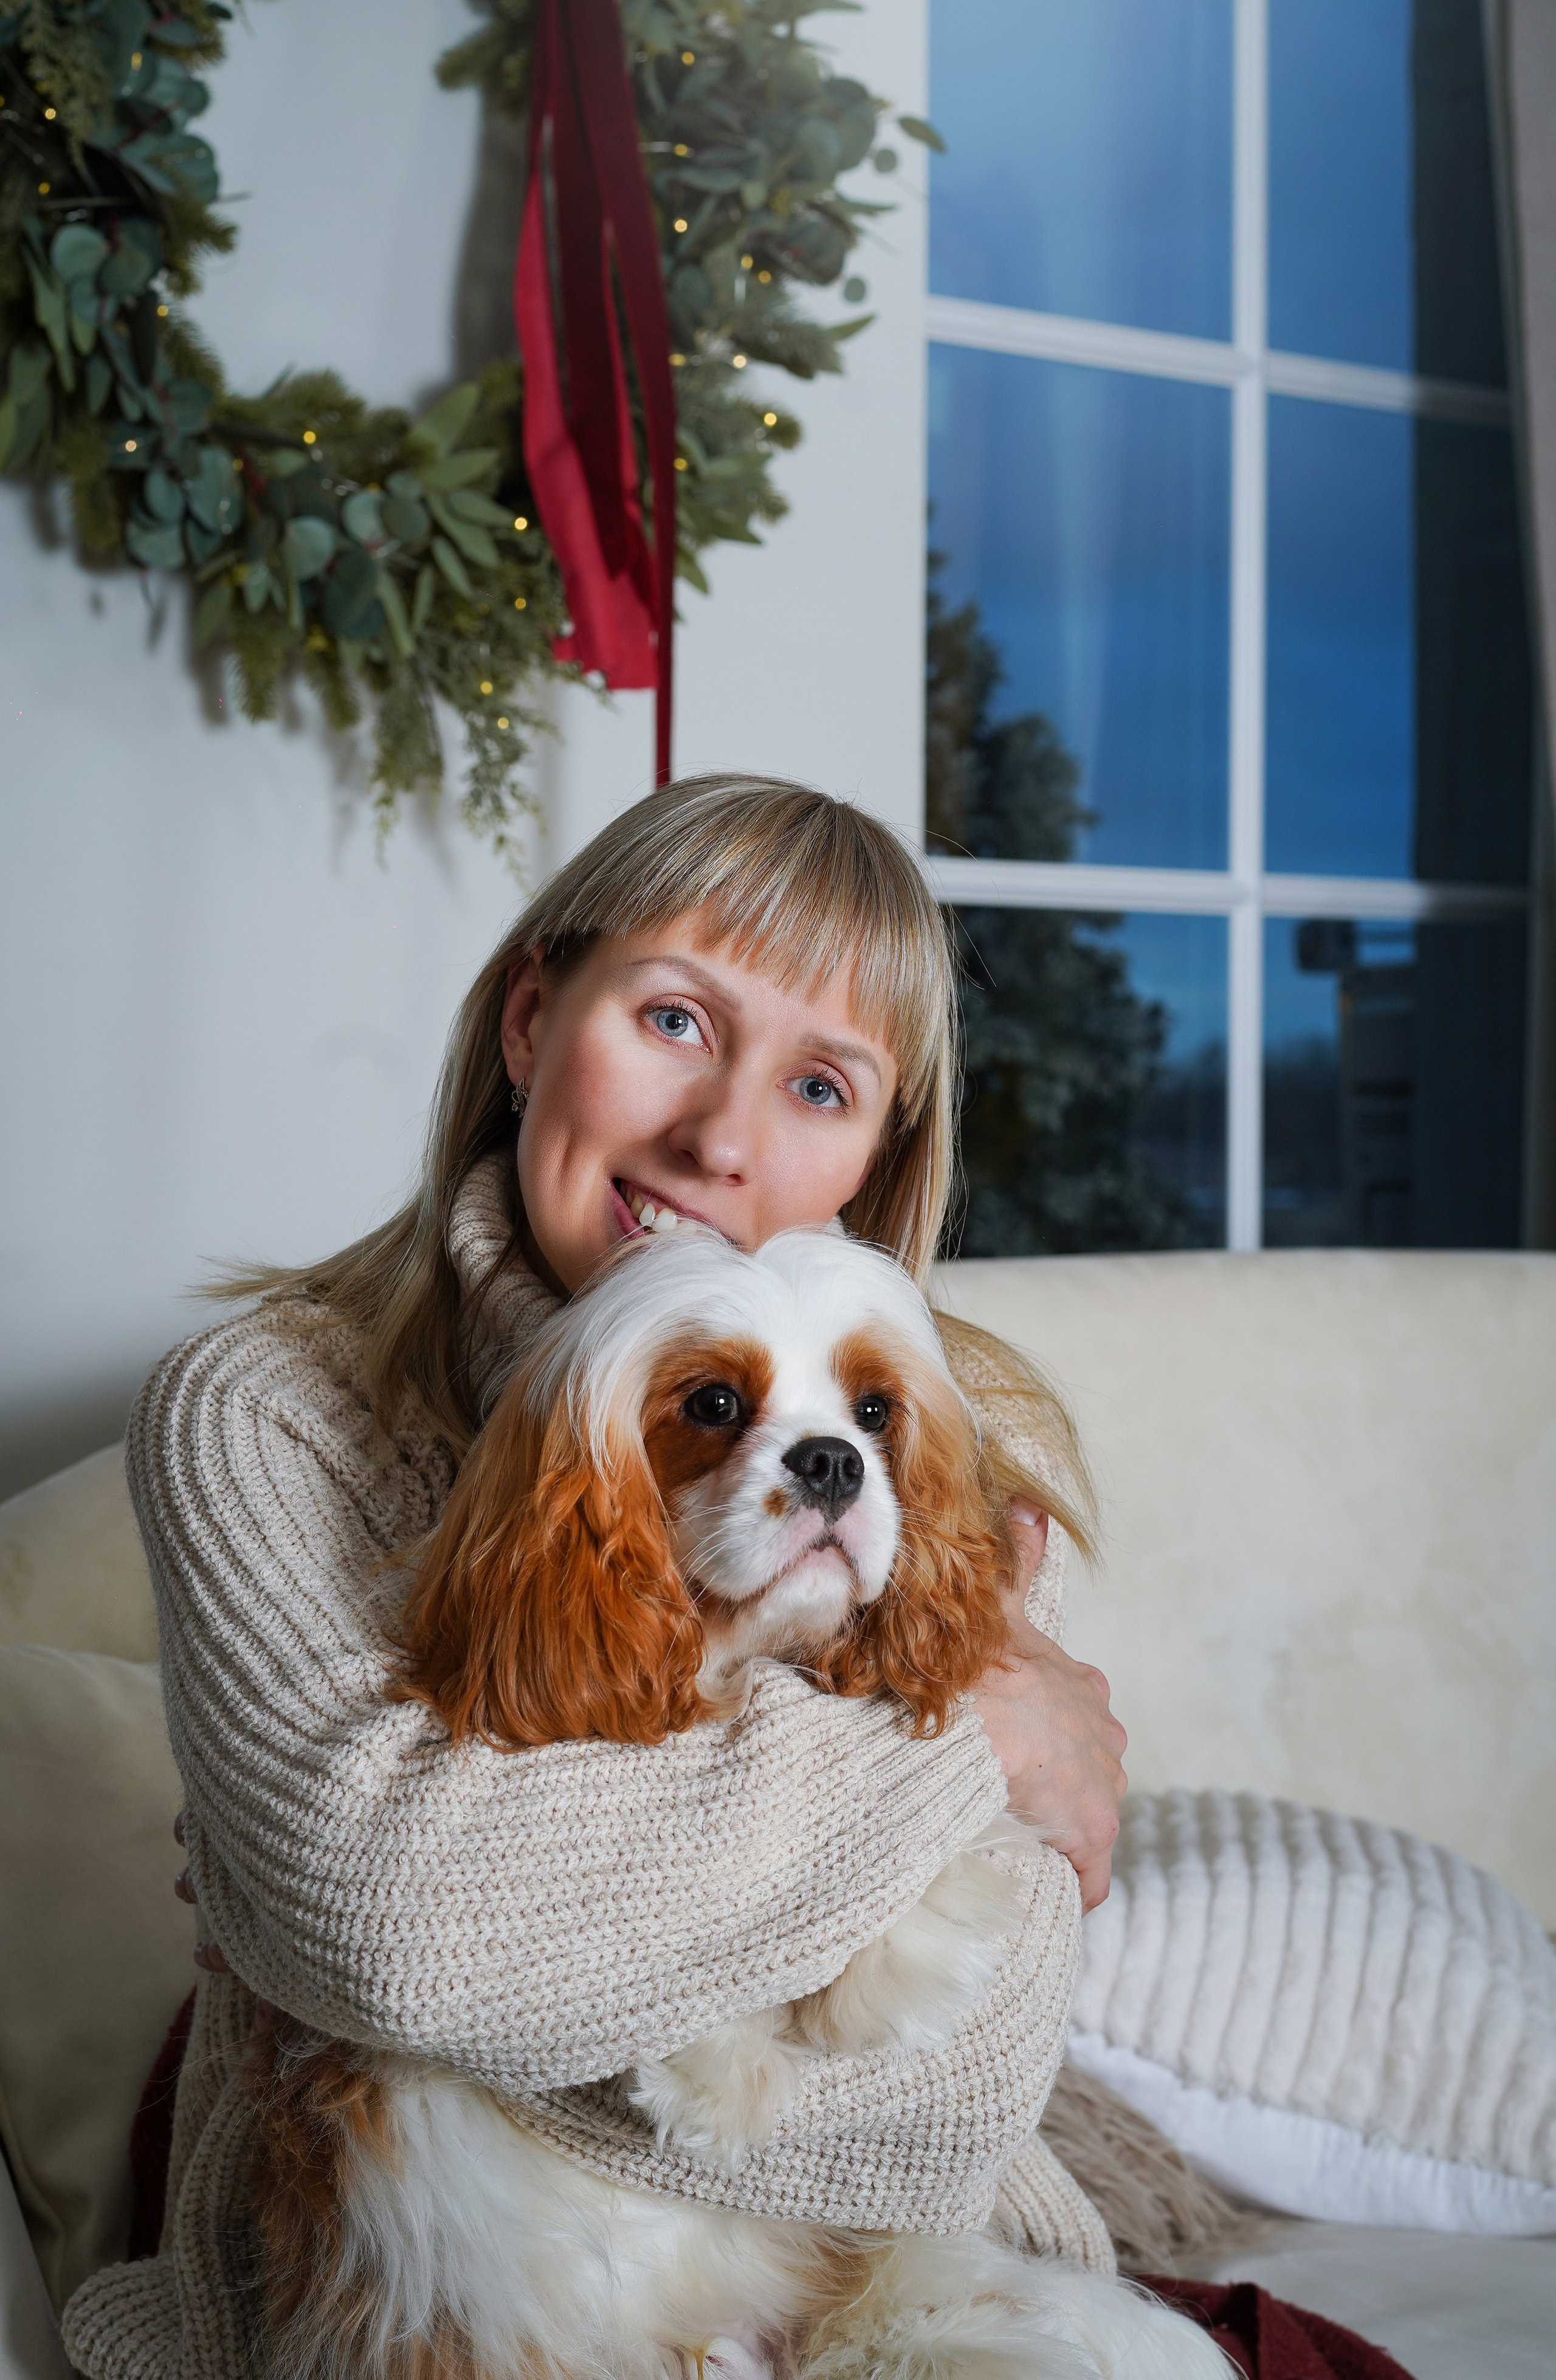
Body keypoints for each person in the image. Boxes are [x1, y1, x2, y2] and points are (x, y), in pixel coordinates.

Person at [63, 775, 1128, 2380]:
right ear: (529, 1021)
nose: (721, 1139)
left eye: (820, 1084)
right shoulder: (259, 1409)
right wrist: (978, 1745)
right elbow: (396, 1933)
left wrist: (489, 1954)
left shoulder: (943, 1438)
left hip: (889, 2284)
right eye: (676, 1020)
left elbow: (963, 2098)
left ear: (874, 1156)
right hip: (430, 2291)